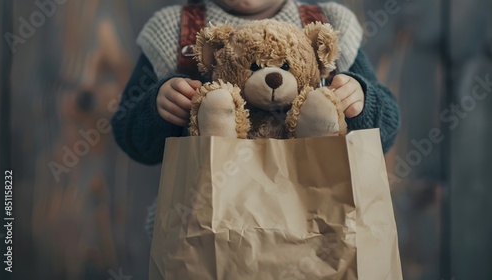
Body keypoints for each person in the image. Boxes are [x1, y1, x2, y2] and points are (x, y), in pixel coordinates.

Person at [111, 0, 400, 240]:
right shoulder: (175, 30)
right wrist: (157, 106)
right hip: (205, 234)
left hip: (318, 231)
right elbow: (131, 136)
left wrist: (361, 99)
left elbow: (384, 132)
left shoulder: (328, 22)